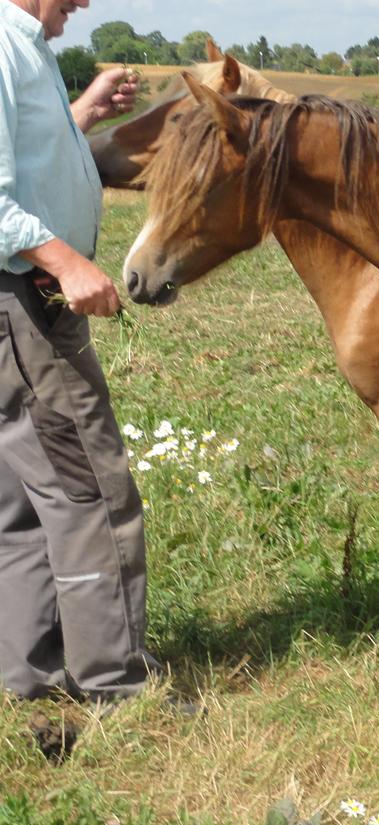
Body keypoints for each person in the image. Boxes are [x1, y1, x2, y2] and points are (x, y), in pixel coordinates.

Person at [0, 0, 156, 706]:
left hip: (18, 302)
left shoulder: (23, 46)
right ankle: (115, 683)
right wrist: (65, 263)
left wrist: (82, 113)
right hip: (29, 304)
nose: (84, 3)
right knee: (91, 491)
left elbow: (25, 159)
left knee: (25, 502)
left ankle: (33, 677)